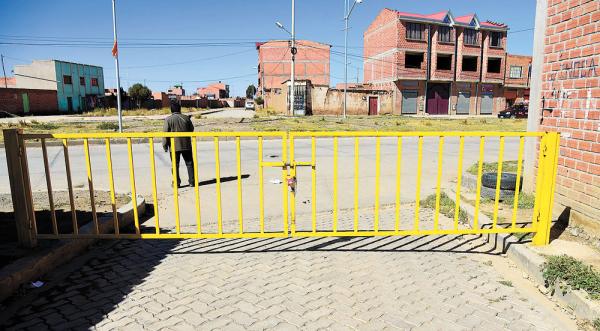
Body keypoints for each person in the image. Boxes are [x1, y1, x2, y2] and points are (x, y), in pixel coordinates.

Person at [163, 102, 195, 188]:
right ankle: (192, 182)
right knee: (189, 164)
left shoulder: (168, 119)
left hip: (174, 146)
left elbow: (165, 133)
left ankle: (176, 183)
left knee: (175, 165)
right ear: (179, 109)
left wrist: (165, 145)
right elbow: (191, 129)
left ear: (171, 110)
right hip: (186, 145)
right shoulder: (186, 118)